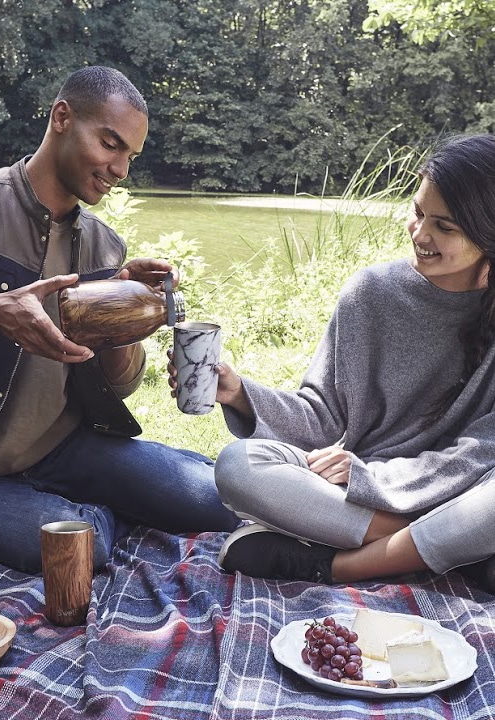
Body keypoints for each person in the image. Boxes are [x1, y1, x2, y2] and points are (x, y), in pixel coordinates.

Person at [170, 133, 495, 592]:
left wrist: (376, 479)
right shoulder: (371, 294)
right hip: (356, 493)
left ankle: (338, 565)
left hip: (454, 491)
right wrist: (239, 394)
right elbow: (322, 417)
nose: (421, 235)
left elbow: (482, 453)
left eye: (445, 227)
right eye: (418, 212)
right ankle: (448, 551)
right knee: (237, 466)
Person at [0, 65, 238, 574]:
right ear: (62, 117)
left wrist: (125, 312)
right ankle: (112, 511)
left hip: (67, 448)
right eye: (110, 144)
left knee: (217, 502)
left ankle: (123, 495)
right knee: (84, 547)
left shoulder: (104, 245)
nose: (120, 169)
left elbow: (121, 385)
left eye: (130, 156)